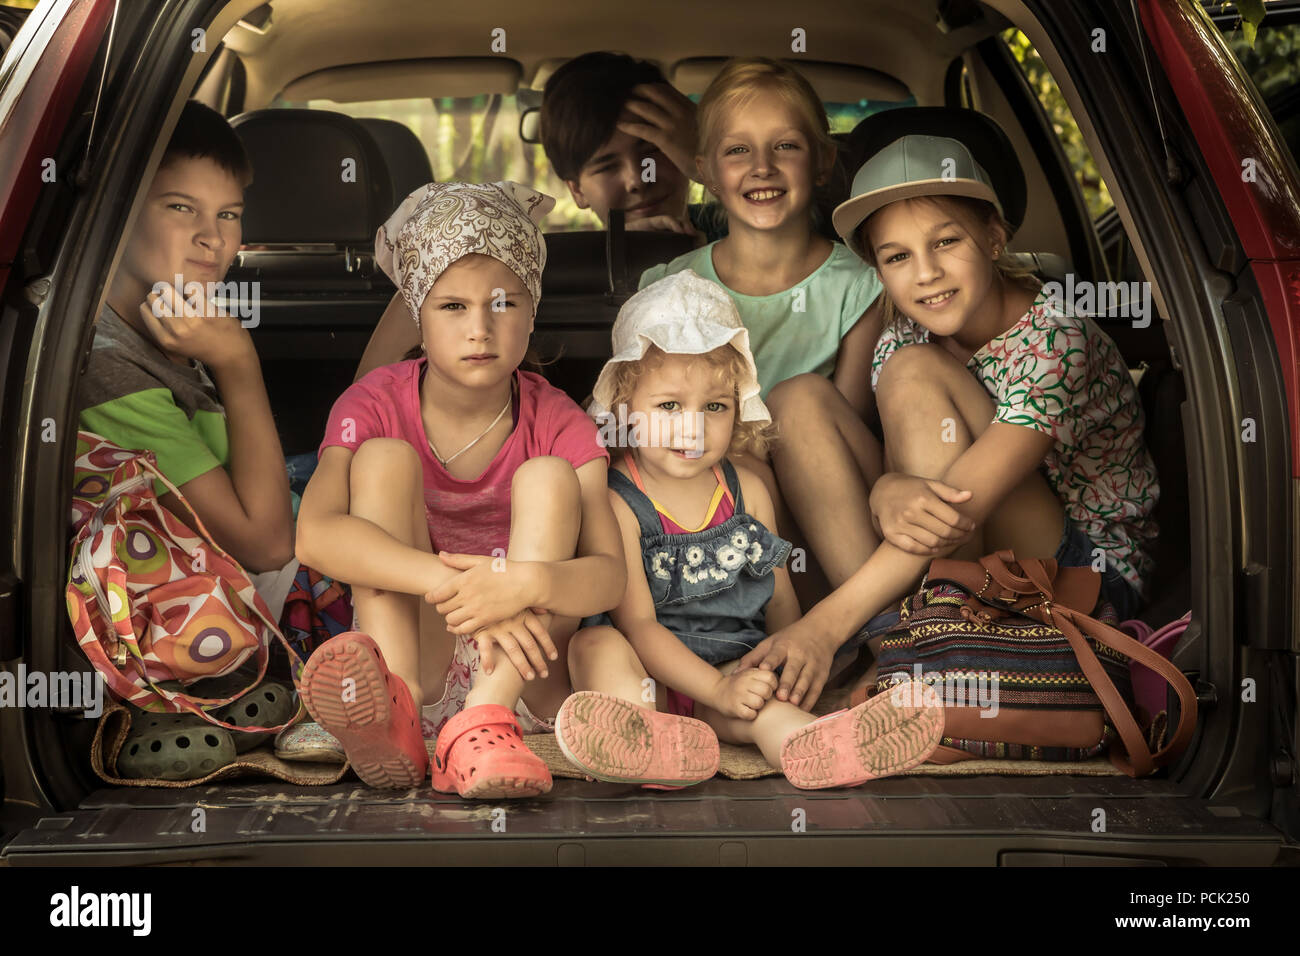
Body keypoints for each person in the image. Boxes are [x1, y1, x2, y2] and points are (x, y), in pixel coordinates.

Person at [747, 134, 1159, 706]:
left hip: (1078, 573)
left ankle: (908, 650)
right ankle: (900, 650)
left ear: (994, 238)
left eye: (946, 241)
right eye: (897, 257)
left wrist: (820, 625)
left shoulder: (1058, 339)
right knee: (796, 401)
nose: (927, 273)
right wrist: (887, 487)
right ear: (880, 272)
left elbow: (964, 499)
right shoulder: (903, 331)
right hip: (957, 556)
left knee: (916, 372)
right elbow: (905, 476)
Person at [294, 181, 626, 797]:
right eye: (452, 307)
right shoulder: (371, 403)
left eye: (504, 304)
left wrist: (529, 582)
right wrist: (454, 584)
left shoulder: (559, 420)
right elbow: (313, 535)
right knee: (384, 460)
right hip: (418, 645)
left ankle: (482, 722)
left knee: (549, 476)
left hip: (525, 675)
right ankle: (398, 707)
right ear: (417, 313)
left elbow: (609, 575)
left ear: (533, 311)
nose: (480, 328)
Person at [554, 271, 943, 789]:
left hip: (737, 667)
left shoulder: (747, 491)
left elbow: (779, 607)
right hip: (652, 676)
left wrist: (773, 678)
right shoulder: (615, 499)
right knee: (594, 648)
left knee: (769, 711)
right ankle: (643, 740)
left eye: (714, 406)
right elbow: (640, 627)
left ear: (738, 407)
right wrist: (713, 690)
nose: (693, 426)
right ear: (623, 409)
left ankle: (826, 746)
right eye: (669, 406)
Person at [355, 52, 720, 380]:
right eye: (606, 166)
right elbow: (368, 394)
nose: (637, 179)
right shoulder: (507, 264)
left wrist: (714, 165)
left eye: (653, 152)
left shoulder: (734, 230)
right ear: (576, 189)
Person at [78, 100, 295, 584]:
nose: (212, 238)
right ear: (117, 211)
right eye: (181, 207)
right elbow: (267, 548)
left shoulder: (170, 321)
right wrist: (239, 361)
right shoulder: (109, 369)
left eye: (228, 214)